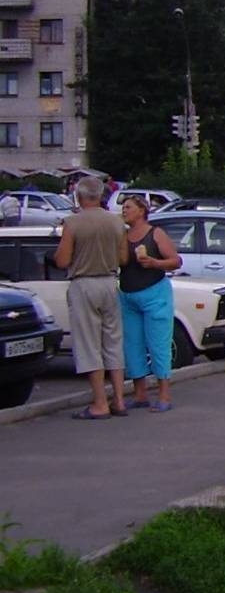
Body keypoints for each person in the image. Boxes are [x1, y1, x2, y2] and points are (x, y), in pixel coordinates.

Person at [54, 176, 128, 420]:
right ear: (101, 195)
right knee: (113, 343)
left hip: (84, 283)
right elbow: (123, 259)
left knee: (89, 344)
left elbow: (63, 260)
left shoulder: (72, 223)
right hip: (109, 282)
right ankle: (118, 399)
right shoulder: (116, 222)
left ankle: (99, 403)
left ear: (79, 196)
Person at [117, 194, 182, 411]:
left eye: (128, 207)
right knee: (132, 344)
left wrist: (154, 262)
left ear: (141, 210)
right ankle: (140, 393)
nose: (124, 211)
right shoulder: (123, 235)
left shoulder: (155, 233)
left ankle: (164, 395)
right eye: (123, 208)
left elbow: (175, 261)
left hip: (154, 293)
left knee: (158, 343)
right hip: (128, 294)